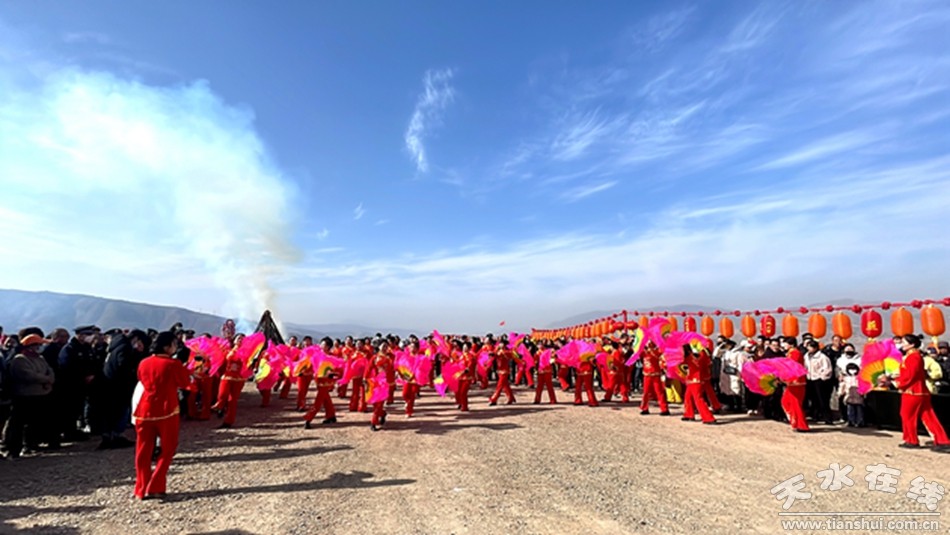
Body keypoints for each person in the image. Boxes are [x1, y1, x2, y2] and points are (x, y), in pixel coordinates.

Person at [133, 331, 193, 499]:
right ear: (167, 347)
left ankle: (141, 488)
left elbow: (141, 379)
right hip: (167, 410)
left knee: (143, 450)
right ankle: (156, 485)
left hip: (145, 409)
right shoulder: (172, 364)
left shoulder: (144, 362)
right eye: (174, 344)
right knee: (168, 449)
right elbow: (184, 383)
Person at [2, 333, 55, 458]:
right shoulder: (20, 359)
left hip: (40, 394)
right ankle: (13, 449)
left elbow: (50, 371)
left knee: (34, 423)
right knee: (18, 423)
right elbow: (28, 375)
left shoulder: (40, 358)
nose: (40, 347)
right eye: (38, 345)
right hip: (24, 396)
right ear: (31, 346)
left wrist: (49, 380)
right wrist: (45, 379)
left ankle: (30, 445)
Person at [893, 334, 950, 452]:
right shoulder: (914, 356)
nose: (901, 344)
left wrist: (897, 383)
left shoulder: (913, 357)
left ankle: (911, 440)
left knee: (908, 416)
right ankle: (942, 440)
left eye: (904, 342)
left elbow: (910, 376)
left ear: (912, 344)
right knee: (928, 417)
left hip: (912, 391)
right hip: (919, 391)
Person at [98, 329, 150, 449]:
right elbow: (124, 366)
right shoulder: (125, 348)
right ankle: (115, 435)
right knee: (120, 411)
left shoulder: (116, 346)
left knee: (112, 411)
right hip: (120, 385)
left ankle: (109, 436)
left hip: (111, 383)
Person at [681, 344, 716, 424]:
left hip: (696, 380)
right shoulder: (689, 357)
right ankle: (689, 414)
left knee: (698, 399)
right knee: (687, 397)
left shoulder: (694, 357)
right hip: (691, 380)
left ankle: (708, 418)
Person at [780, 337, 810, 432]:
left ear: (791, 344)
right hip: (792, 382)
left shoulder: (795, 353)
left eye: (785, 343)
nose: (783, 345)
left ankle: (801, 425)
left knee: (795, 403)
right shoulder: (791, 353)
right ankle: (796, 422)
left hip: (796, 382)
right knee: (787, 401)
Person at [803, 340, 833, 425]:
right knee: (813, 399)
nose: (808, 348)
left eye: (810, 347)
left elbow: (827, 369)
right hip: (809, 379)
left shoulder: (822, 357)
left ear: (815, 348)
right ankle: (815, 416)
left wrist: (822, 377)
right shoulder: (806, 356)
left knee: (822, 399)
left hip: (819, 380)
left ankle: (828, 418)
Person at [639, 342, 669, 415]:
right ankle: (644, 408)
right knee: (646, 392)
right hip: (646, 375)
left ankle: (664, 409)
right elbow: (636, 354)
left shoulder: (657, 351)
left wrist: (652, 351)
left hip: (656, 375)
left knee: (659, 392)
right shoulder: (643, 352)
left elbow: (661, 354)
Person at [840, 363, 864, 427]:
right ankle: (851, 421)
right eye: (850, 369)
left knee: (859, 409)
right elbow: (843, 385)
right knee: (850, 409)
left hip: (858, 395)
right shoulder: (846, 378)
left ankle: (860, 421)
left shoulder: (860, 377)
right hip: (849, 395)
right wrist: (841, 392)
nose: (852, 371)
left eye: (854, 369)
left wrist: (863, 393)